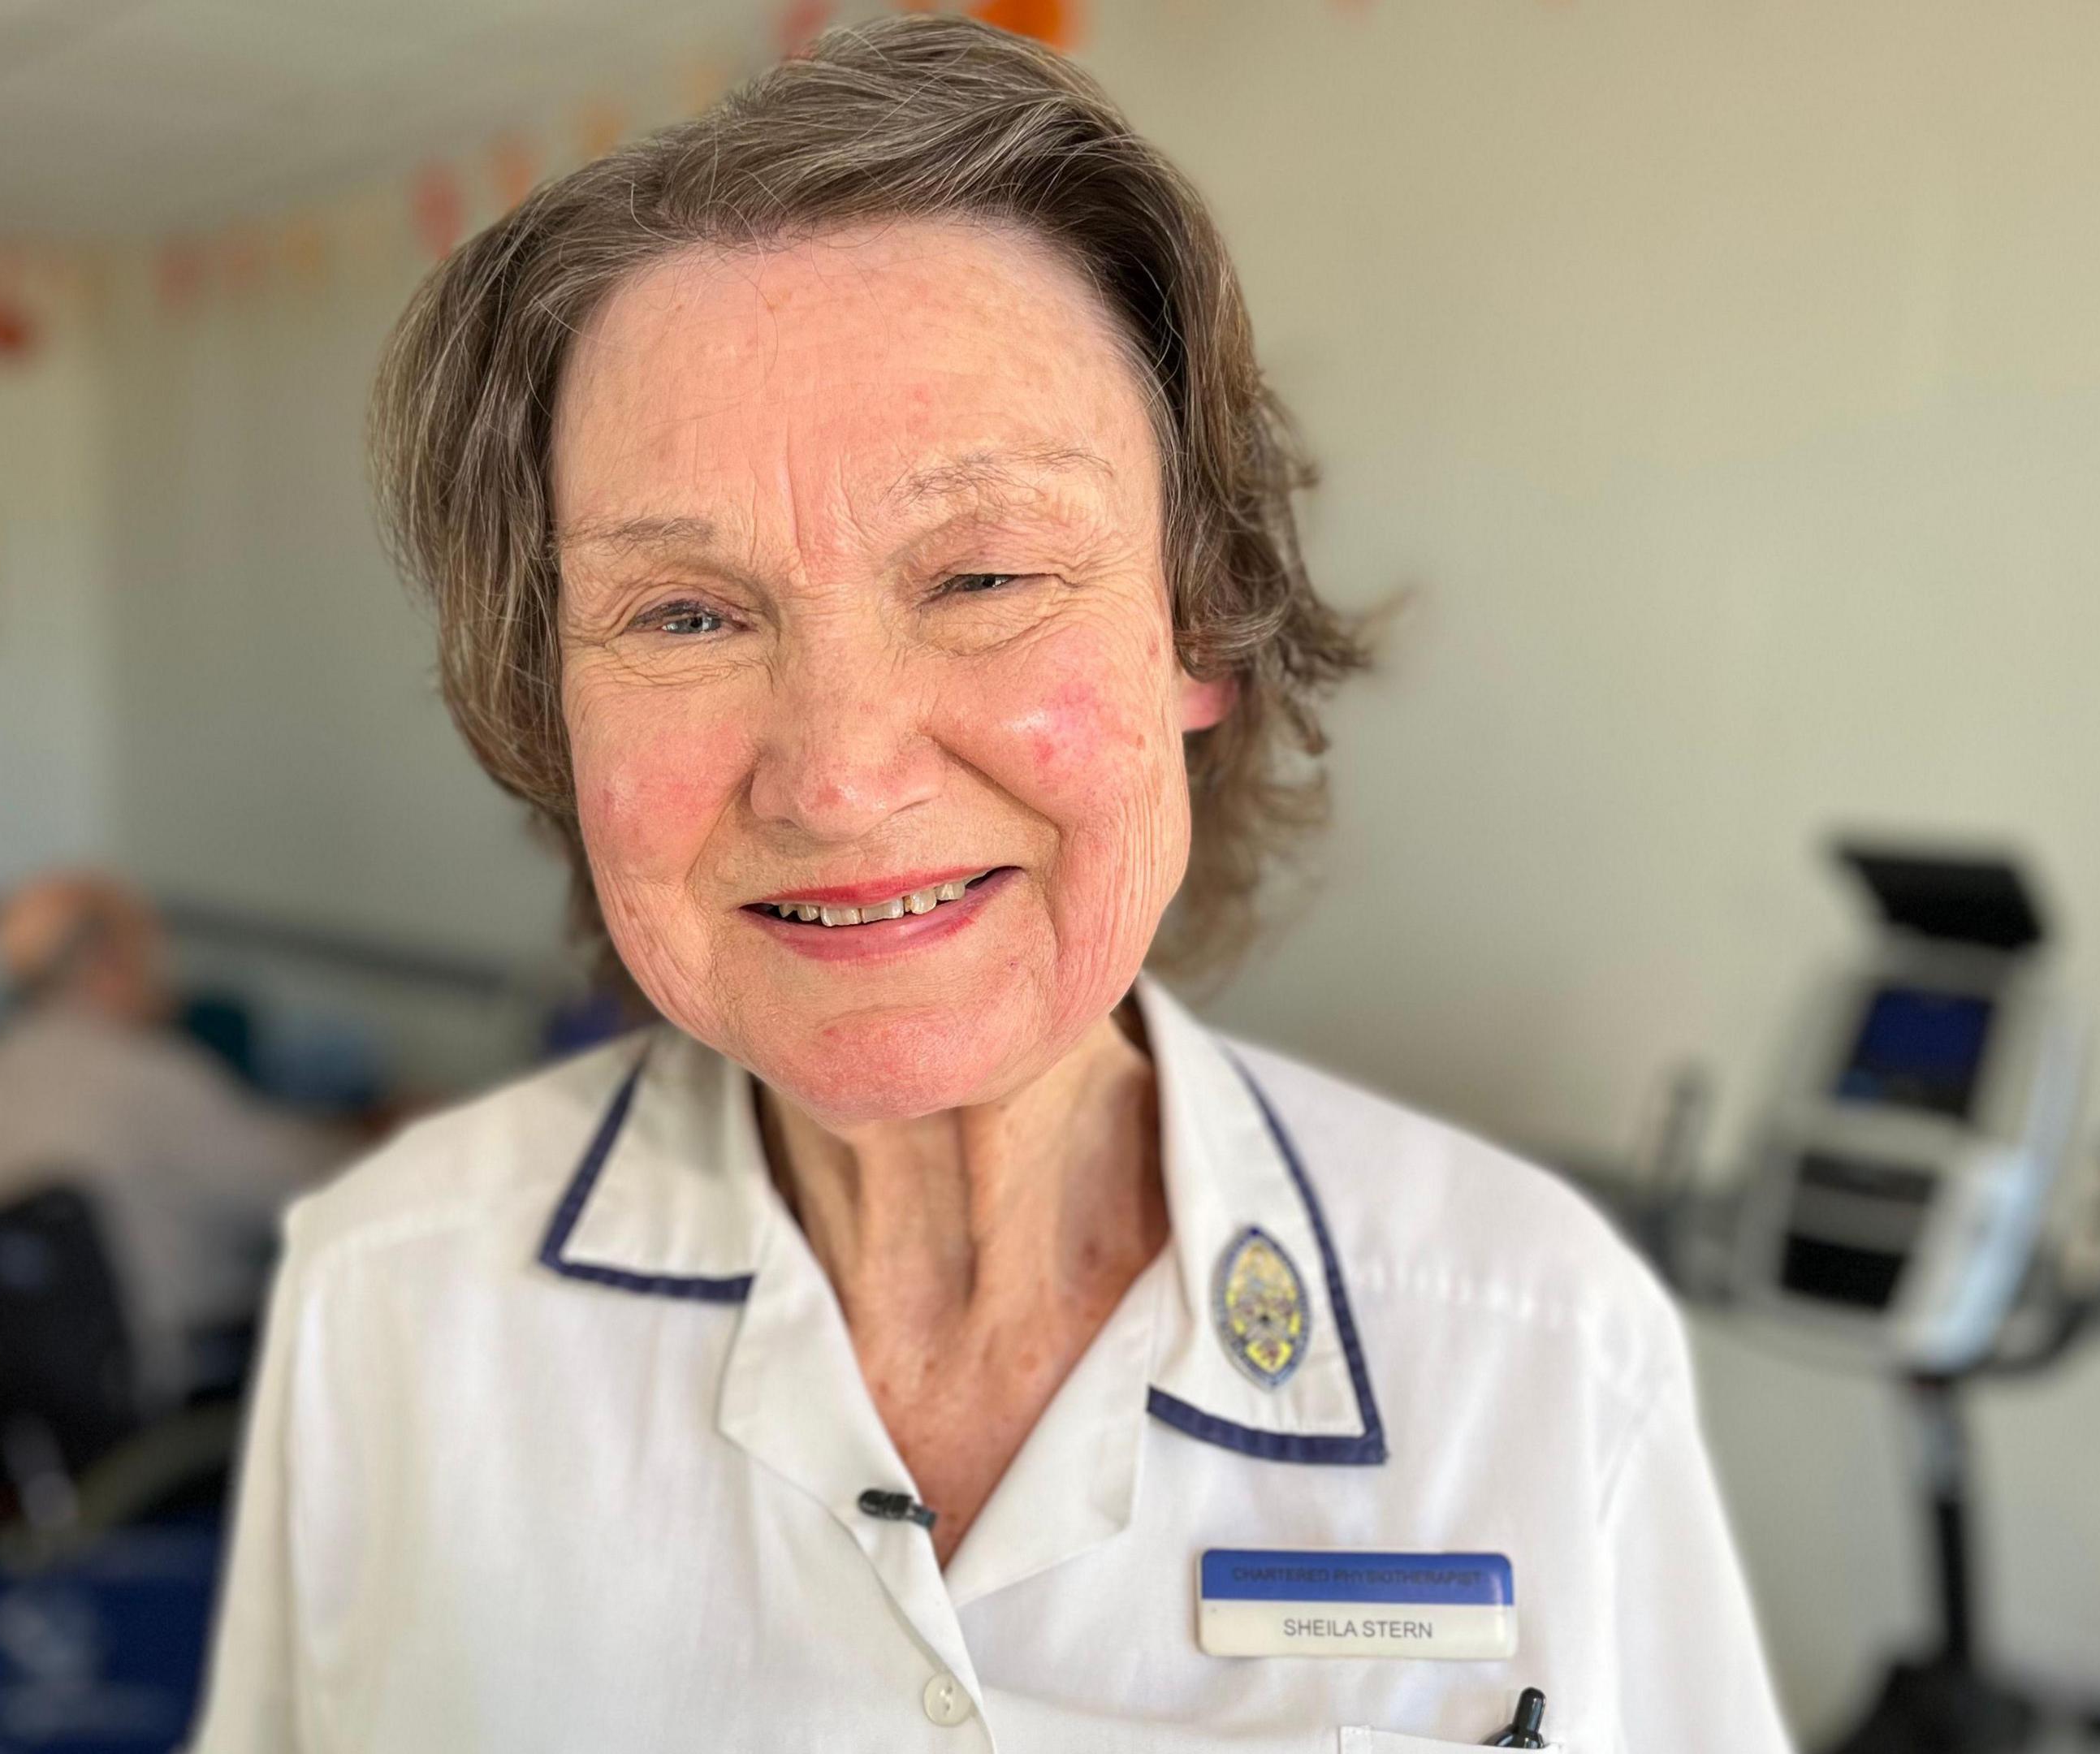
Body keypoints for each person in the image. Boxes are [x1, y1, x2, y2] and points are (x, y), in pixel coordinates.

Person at [194, 17, 1791, 1752]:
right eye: (685, 614)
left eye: (983, 575)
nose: (840, 772)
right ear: (548, 705)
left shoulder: (1538, 1352)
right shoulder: (391, 1305)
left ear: (1204, 623)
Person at [0, 870, 338, 1410]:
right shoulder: (149, 1074)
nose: (168, 970)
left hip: (39, 1373)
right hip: (177, 1367)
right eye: (154, 946)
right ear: (109, 960)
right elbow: (305, 1184)